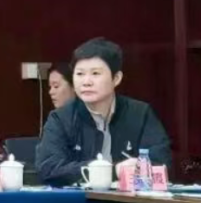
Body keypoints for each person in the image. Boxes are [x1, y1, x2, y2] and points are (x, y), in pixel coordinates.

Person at [36, 37, 172, 186]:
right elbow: (48, 169)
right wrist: (113, 171)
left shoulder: (140, 114)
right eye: (80, 74)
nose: (86, 82)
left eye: (95, 73)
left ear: (116, 78)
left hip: (130, 198)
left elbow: (160, 162)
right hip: (81, 199)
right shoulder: (61, 119)